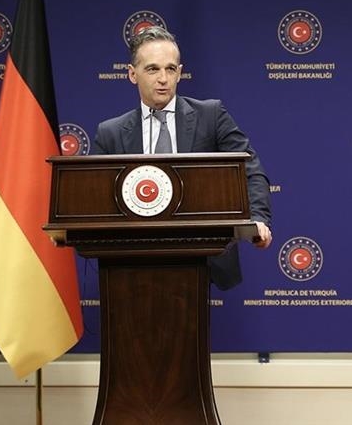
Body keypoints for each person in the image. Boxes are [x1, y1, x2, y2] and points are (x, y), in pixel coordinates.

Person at [92, 26, 272, 290]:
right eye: (152, 69)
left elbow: (249, 169)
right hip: (131, 259)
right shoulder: (111, 132)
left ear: (179, 72)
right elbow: (95, 197)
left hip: (200, 255)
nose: (163, 79)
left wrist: (257, 219)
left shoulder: (211, 115)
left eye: (170, 69)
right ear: (132, 74)